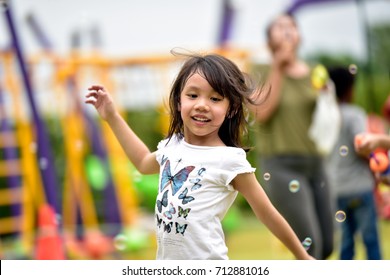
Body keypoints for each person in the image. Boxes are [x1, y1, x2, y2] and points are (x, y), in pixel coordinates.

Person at [85, 52, 313, 260]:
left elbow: (268, 214)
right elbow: (144, 162)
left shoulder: (229, 160)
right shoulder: (172, 147)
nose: (202, 105)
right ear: (179, 101)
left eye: (215, 99)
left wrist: (303, 257)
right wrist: (112, 116)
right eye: (193, 95)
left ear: (231, 108)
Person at [248, 13, 334, 259]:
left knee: (327, 245)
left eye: (292, 25)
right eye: (279, 26)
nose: (286, 30)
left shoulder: (315, 73)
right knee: (310, 247)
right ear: (268, 40)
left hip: (316, 163)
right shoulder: (260, 69)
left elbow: (326, 118)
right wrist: (278, 66)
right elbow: (261, 113)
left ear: (299, 35)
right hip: (281, 166)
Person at [326, 66, 382, 260]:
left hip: (336, 188)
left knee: (346, 243)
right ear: (350, 89)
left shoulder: (324, 116)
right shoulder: (354, 114)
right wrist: (377, 166)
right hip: (359, 187)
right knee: (370, 240)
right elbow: (362, 146)